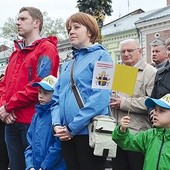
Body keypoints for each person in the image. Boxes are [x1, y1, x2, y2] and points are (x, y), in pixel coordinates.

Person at [51, 12, 113, 170]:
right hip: (66, 135)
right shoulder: (67, 65)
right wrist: (57, 124)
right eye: (69, 28)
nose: (71, 31)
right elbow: (55, 100)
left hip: (89, 134)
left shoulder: (102, 57)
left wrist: (72, 127)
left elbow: (100, 97)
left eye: (76, 27)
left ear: (90, 32)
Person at [0, 7, 59, 170]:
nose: (17, 22)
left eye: (23, 19)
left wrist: (8, 107)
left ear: (36, 23)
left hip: (31, 121)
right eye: (17, 19)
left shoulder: (46, 48)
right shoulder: (15, 53)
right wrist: (3, 108)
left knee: (33, 166)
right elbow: (4, 84)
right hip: (10, 120)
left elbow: (39, 85)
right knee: (15, 166)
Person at [110, 39, 156, 170]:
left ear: (140, 51)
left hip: (138, 134)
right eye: (122, 51)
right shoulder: (123, 71)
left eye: (129, 50)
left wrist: (122, 102)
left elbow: (151, 102)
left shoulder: (150, 72)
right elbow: (117, 101)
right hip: (119, 133)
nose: (125, 54)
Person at [112, 93, 170, 170]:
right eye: (155, 110)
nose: (155, 113)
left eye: (161, 111)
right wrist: (122, 130)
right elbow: (128, 142)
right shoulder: (149, 135)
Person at [25, 75, 66, 170]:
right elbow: (30, 144)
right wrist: (30, 166)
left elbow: (58, 147)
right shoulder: (36, 116)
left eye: (46, 93)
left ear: (56, 94)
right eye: (39, 92)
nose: (40, 96)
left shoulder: (59, 116)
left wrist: (44, 166)